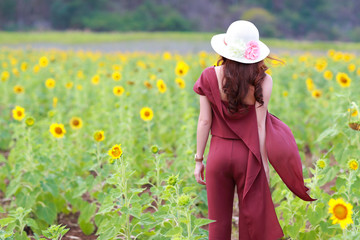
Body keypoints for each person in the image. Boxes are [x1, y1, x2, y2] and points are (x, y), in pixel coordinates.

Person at [192, 20, 316, 240]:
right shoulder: (264, 81)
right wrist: (264, 164)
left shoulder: (209, 76)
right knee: (251, 224)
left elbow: (204, 121)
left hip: (218, 155)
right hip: (248, 157)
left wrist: (199, 159)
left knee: (217, 224)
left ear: (226, 48)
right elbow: (260, 125)